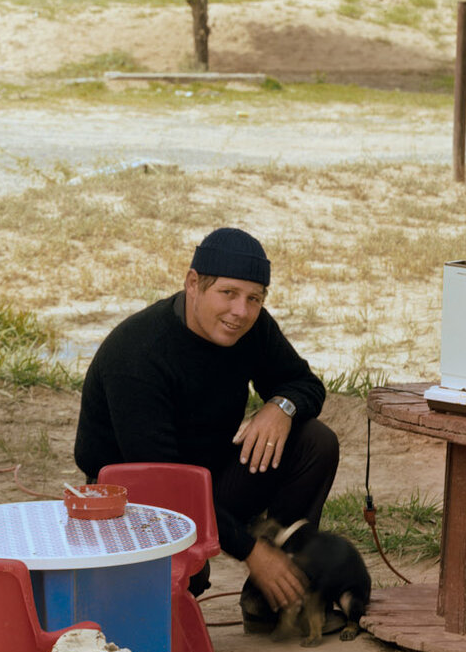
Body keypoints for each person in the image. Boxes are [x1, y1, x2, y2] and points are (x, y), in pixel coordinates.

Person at [72, 227, 338, 615]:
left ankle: (275, 601)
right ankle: (235, 566)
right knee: (176, 590)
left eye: (254, 299)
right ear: (193, 283)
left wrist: (281, 406)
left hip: (205, 478)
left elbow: (304, 383)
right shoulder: (137, 355)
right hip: (133, 504)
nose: (241, 312)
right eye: (228, 293)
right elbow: (164, 485)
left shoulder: (253, 327)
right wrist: (251, 550)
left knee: (314, 442)